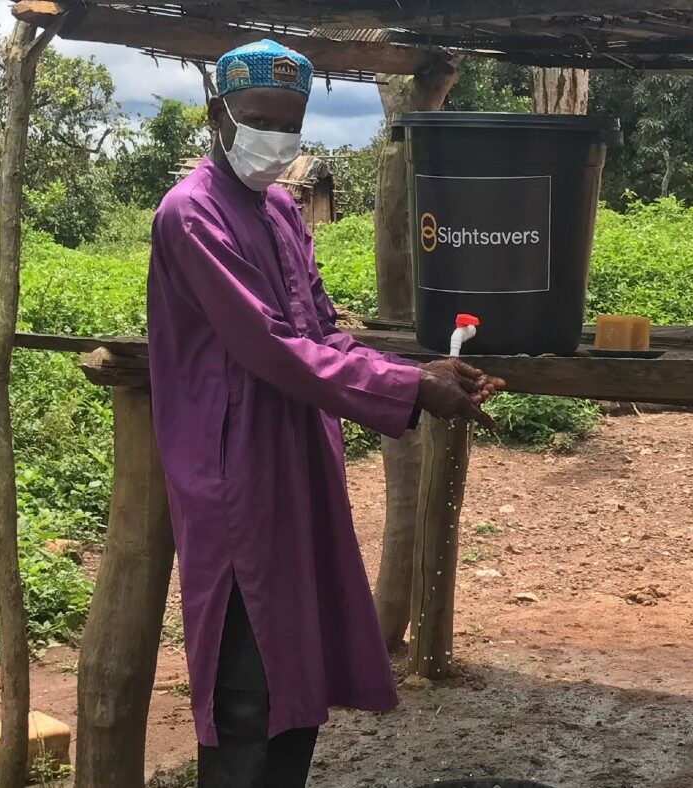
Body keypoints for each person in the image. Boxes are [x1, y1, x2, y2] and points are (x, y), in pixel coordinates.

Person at [146, 39, 503, 787]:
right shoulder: (191, 214)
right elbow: (271, 347)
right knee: (246, 681)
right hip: (235, 471)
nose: (275, 139)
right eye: (260, 120)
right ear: (217, 114)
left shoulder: (281, 210)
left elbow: (320, 331)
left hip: (301, 456)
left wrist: (415, 373)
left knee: (297, 668)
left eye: (290, 124)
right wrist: (409, 390)